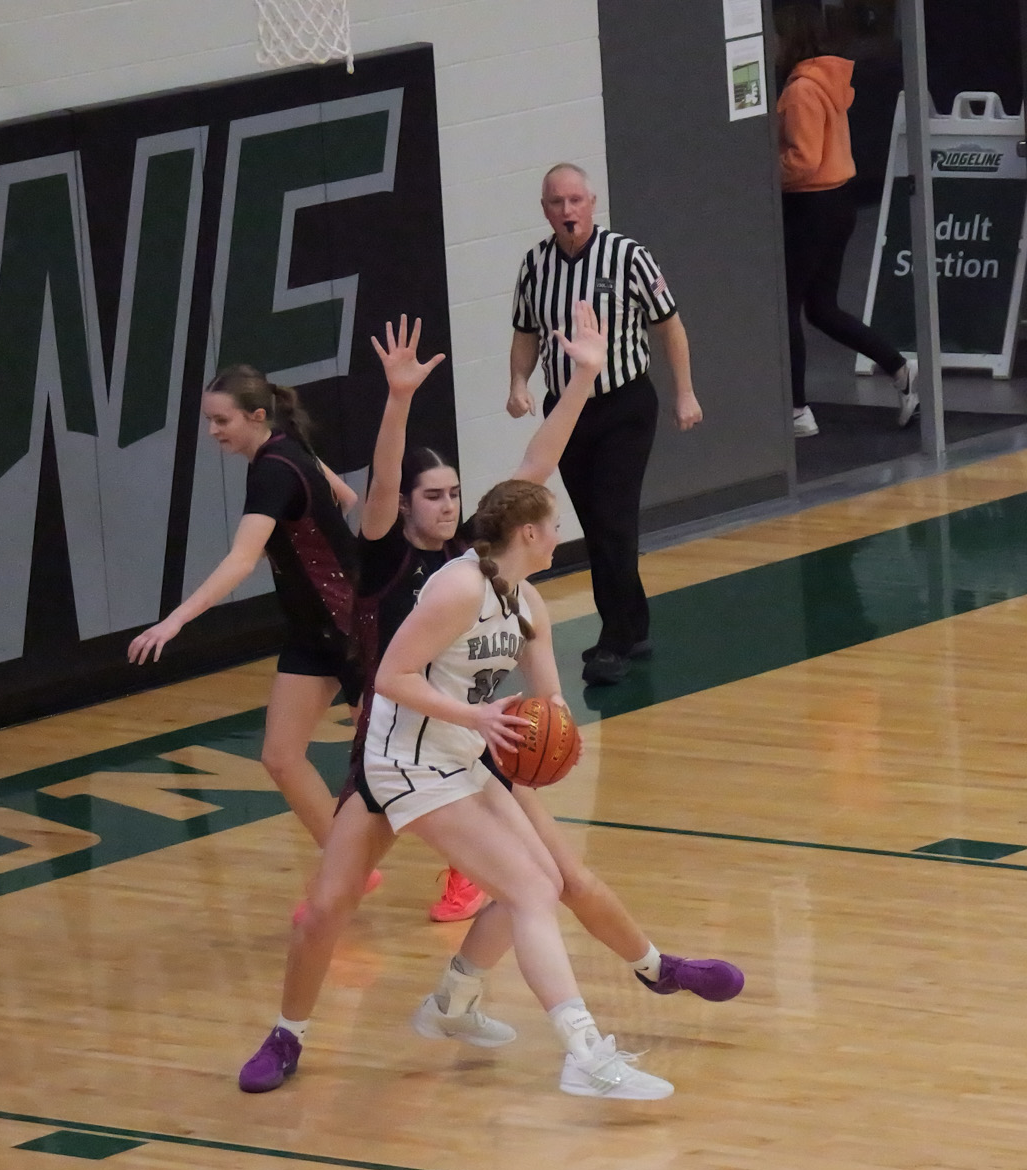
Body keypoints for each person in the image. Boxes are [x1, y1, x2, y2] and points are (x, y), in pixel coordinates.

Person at [238, 309, 741, 1098]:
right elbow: (385, 488)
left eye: (454, 495)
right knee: (331, 909)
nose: (446, 505)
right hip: (397, 752)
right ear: (406, 505)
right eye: (432, 495)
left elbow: (535, 467)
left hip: (460, 749)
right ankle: (289, 1032)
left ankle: (477, 998)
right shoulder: (396, 559)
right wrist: (399, 398)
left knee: (546, 879)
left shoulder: (495, 566)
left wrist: (582, 377)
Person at [129, 367, 365, 853]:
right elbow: (345, 497)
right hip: (311, 631)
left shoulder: (275, 469)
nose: (212, 431)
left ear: (257, 415)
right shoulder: (286, 445)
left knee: (393, 763)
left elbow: (241, 560)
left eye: (222, 420)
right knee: (280, 757)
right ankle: (346, 866)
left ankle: (469, 866)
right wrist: (307, 546)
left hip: (353, 630)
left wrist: (174, 621)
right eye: (209, 420)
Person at [508, 163, 701, 688]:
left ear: (592, 203)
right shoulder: (535, 265)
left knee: (614, 519)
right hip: (566, 411)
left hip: (624, 405)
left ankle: (614, 640)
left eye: (575, 200)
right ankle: (633, 626)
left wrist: (685, 391)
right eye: (556, 203)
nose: (567, 211)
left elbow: (670, 326)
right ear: (544, 210)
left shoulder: (628, 256)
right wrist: (518, 382)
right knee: (596, 524)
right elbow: (525, 333)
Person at [776, 3, 917, 439]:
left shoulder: (800, 90)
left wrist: (762, 174)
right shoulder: (828, 81)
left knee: (785, 308)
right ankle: (899, 367)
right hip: (840, 203)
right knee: (821, 308)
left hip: (809, 207)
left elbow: (803, 160)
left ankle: (798, 410)